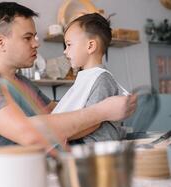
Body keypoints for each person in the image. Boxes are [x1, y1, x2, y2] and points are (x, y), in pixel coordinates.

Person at [0, 2, 136, 187]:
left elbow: (58, 111)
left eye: (35, 36)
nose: (36, 43)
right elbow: (29, 134)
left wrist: (97, 99)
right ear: (1, 42)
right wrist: (103, 111)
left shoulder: (22, 83)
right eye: (27, 37)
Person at [52, 13, 129, 143]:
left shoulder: (101, 78)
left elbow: (93, 122)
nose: (65, 51)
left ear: (90, 46)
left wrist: (63, 135)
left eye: (69, 45)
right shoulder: (86, 78)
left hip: (94, 149)